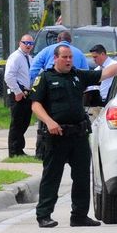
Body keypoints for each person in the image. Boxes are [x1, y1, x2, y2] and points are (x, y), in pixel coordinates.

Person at [30, 45, 117, 228]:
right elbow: (35, 105)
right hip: (56, 136)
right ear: (55, 58)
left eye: (70, 57)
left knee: (82, 177)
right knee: (51, 177)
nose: (68, 60)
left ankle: (79, 215)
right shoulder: (45, 78)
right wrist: (49, 122)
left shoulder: (78, 75)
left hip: (79, 135)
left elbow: (107, 73)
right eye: (64, 57)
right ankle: (44, 215)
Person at [29, 31, 88, 160]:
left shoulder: (46, 51)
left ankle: (41, 152)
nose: (68, 60)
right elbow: (85, 73)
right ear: (70, 41)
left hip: (51, 94)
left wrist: (36, 88)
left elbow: (33, 69)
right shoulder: (78, 53)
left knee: (44, 125)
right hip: (74, 94)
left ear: (57, 40)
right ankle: (72, 155)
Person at [4, 34, 34, 157]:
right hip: (18, 93)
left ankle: (19, 149)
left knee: (25, 122)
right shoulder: (15, 57)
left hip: (27, 93)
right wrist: (17, 91)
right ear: (19, 43)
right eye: (25, 43)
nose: (28, 46)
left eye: (30, 44)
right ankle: (13, 151)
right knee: (17, 123)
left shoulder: (29, 58)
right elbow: (9, 76)